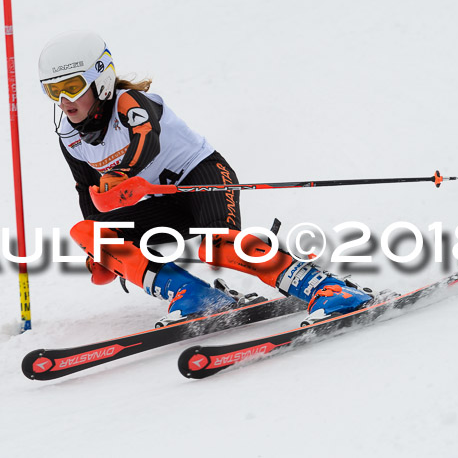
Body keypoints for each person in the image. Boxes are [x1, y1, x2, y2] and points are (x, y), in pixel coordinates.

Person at [38, 31, 373, 326]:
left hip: (203, 176)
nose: (64, 101)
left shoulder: (131, 102)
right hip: (164, 200)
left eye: (72, 87)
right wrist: (102, 252)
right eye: (53, 91)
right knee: (87, 232)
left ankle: (330, 290)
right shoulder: (70, 136)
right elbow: (87, 190)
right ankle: (193, 295)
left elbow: (147, 139)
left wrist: (123, 174)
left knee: (219, 246)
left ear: (102, 80)